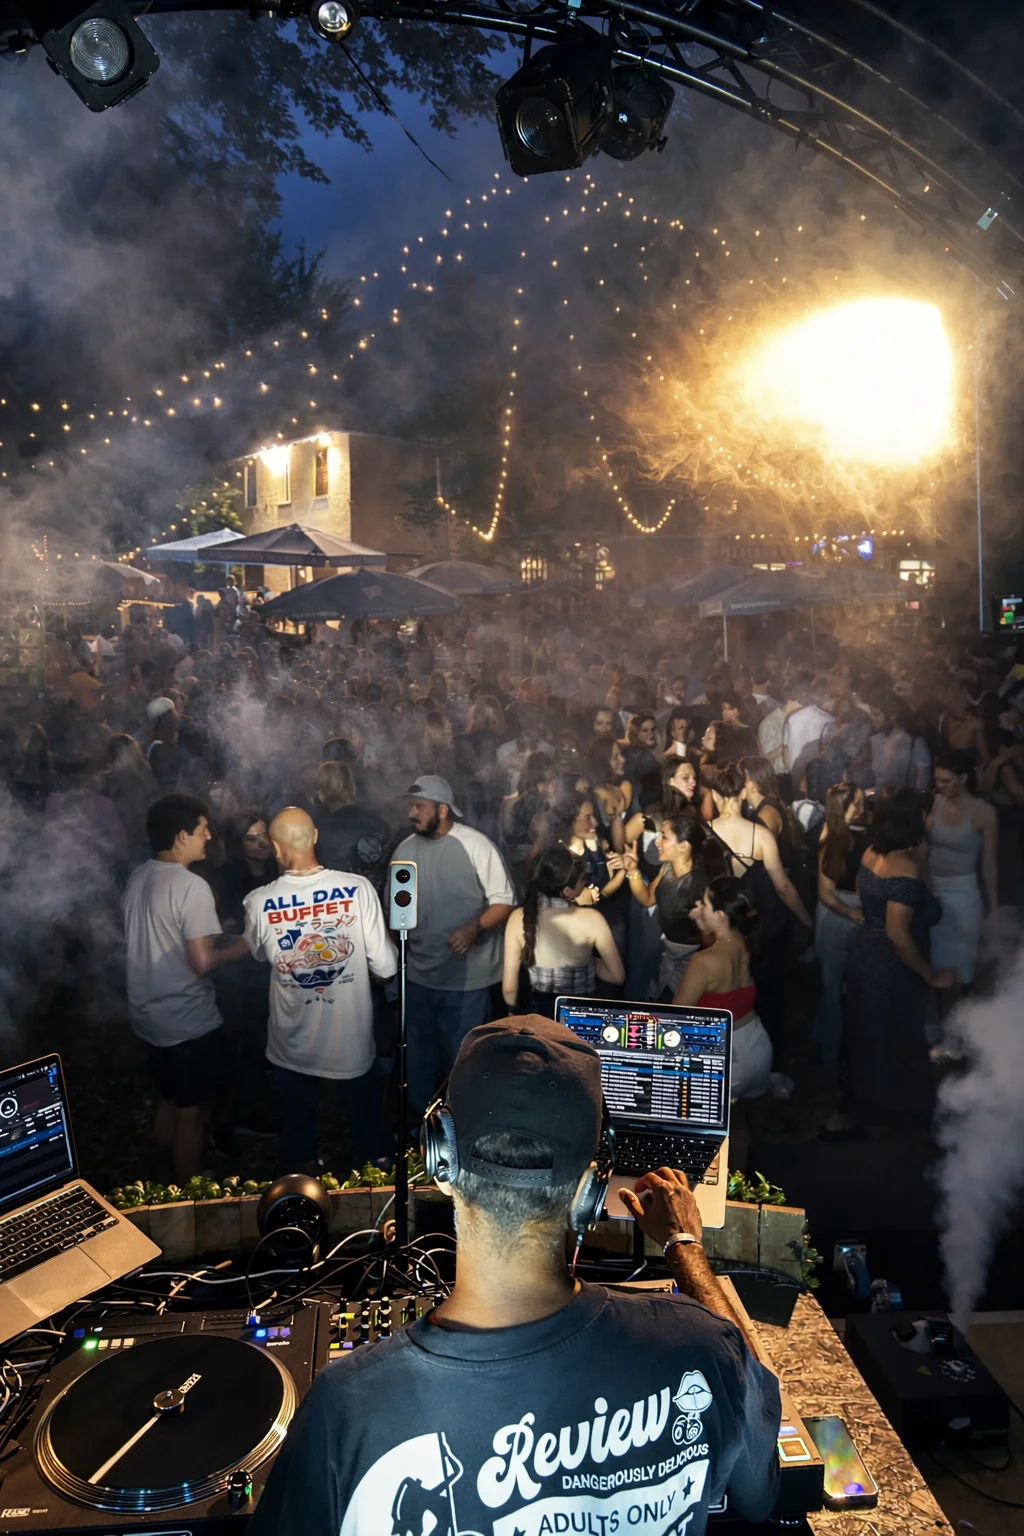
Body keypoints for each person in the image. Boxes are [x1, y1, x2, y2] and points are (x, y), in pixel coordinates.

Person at [249, 1017, 781, 1536]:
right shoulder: (703, 1347)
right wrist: (683, 1248)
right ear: (591, 1189)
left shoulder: (347, 1409)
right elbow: (760, 1492)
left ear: (440, 1158)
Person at [243, 807, 396, 1173]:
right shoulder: (358, 889)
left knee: (298, 1137)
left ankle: (302, 1196)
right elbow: (387, 966)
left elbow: (259, 954)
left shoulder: (257, 901)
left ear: (276, 849)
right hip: (351, 1039)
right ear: (314, 837)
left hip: (291, 1041)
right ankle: (377, 1197)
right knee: (371, 1132)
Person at [123, 794, 248, 1182]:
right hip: (186, 1021)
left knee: (168, 1099)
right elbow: (203, 962)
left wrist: (212, 933)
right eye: (202, 829)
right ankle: (188, 1199)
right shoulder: (191, 886)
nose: (208, 836)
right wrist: (248, 943)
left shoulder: (140, 875)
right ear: (181, 836)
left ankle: (157, 1186)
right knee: (193, 1114)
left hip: (148, 1014)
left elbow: (162, 934)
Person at [825, 789, 955, 1137]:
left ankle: (858, 1110)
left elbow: (869, 907)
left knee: (867, 1035)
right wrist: (931, 975)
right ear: (914, 821)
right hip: (891, 968)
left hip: (865, 955)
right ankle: (891, 1119)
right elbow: (899, 935)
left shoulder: (870, 852)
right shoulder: (907, 869)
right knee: (894, 1038)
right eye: (927, 814)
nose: (931, 820)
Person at [393, 776, 514, 1115]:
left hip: (467, 982)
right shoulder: (405, 850)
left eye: (419, 807)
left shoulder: (476, 846)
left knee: (463, 1064)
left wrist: (475, 927)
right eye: (411, 807)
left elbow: (504, 903)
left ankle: (463, 1133)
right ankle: (421, 1135)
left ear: (442, 810)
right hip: (418, 978)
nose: (411, 814)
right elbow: (397, 910)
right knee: (416, 1063)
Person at [702, 763, 811, 1048]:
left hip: (723, 927)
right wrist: (806, 919)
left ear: (714, 795)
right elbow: (783, 887)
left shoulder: (704, 835)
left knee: (726, 995)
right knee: (769, 993)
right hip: (762, 928)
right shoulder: (759, 835)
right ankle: (769, 1060)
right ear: (741, 793)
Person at [673, 877, 773, 1103]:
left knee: (711, 1130)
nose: (699, 905)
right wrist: (703, 926)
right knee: (740, 1121)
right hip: (757, 1045)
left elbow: (676, 1014)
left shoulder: (702, 962)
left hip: (723, 1056)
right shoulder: (748, 942)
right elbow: (721, 947)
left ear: (719, 915)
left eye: (705, 904)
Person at [211, 811, 278, 1140]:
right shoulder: (226, 877)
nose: (261, 843)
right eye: (252, 838)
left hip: (273, 973)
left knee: (265, 1045)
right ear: (239, 843)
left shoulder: (279, 870)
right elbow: (216, 932)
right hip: (239, 978)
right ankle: (235, 1118)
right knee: (245, 1047)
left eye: (265, 835)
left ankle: (255, 1110)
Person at [502, 845, 624, 1016]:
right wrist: (587, 962)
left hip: (538, 1016)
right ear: (567, 891)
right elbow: (617, 976)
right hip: (580, 1016)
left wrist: (512, 1013)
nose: (586, 883)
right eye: (583, 879)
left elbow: (509, 989)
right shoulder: (592, 919)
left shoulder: (518, 918)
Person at [926, 750, 998, 990]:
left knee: (962, 963)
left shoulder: (984, 813)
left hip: (963, 894)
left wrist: (995, 908)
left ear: (964, 778)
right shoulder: (935, 802)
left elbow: (989, 865)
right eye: (937, 780)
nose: (940, 786)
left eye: (946, 780)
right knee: (933, 964)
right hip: (932, 889)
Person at [624, 809, 708, 999]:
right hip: (668, 953)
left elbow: (709, 938)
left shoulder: (699, 885)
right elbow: (646, 899)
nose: (656, 841)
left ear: (683, 846)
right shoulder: (667, 868)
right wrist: (633, 870)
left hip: (690, 960)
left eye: (664, 837)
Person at [813, 783, 869, 1069]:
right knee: (832, 986)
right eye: (855, 804)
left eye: (862, 802)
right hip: (834, 917)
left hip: (855, 915)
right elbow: (825, 893)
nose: (862, 809)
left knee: (851, 986)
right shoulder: (831, 840)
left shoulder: (868, 837)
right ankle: (830, 1054)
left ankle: (831, 1040)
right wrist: (854, 913)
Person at [311, 759, 392, 892]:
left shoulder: (315, 829)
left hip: (335, 900)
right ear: (350, 785)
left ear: (321, 789)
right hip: (373, 898)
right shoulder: (376, 819)